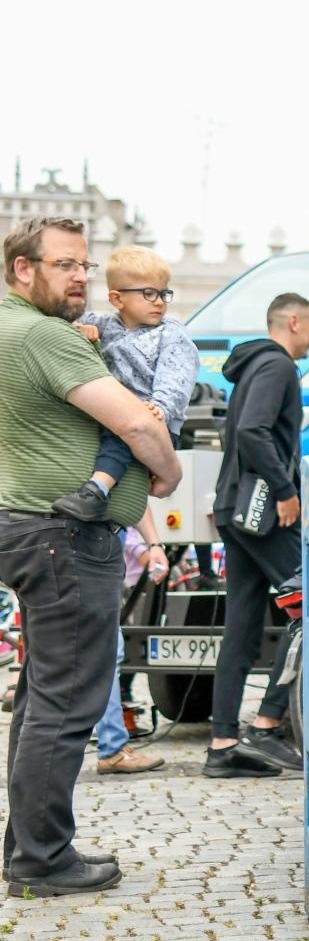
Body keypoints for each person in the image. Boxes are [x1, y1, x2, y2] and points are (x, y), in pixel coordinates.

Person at [0, 217, 181, 897]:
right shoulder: (44, 335)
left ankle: (27, 847)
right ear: (24, 270)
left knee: (43, 698)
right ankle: (42, 860)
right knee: (67, 703)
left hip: (31, 528)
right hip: (64, 538)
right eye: (64, 265)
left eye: (84, 264)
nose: (80, 277)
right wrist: (167, 475)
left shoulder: (9, 328)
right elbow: (136, 421)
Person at [205, 292, 309, 778]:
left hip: (235, 509)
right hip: (264, 511)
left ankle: (224, 744)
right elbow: (253, 432)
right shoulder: (278, 367)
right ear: (293, 321)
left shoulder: (251, 366)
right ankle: (268, 724)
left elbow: (244, 432)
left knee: (243, 625)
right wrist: (286, 490)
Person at [52, 246, 198, 523]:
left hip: (153, 416)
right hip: (114, 413)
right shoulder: (101, 324)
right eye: (149, 293)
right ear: (117, 299)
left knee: (123, 435)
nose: (159, 302)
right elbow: (59, 325)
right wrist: (78, 332)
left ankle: (97, 489)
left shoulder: (171, 334)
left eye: (164, 293)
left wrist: (161, 406)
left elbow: (177, 376)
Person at [93, 516, 169, 774]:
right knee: (107, 651)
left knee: (107, 651)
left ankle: (113, 746)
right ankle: (113, 748)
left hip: (98, 545)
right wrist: (153, 544)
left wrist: (154, 544)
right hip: (95, 545)